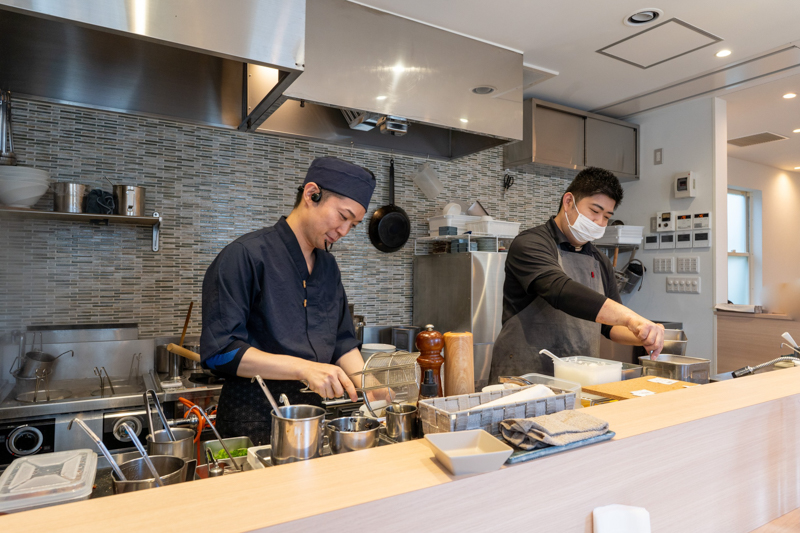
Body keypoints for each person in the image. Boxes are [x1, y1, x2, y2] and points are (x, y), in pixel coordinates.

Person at [200, 156, 375, 445]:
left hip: (310, 421)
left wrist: (373, 386)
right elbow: (221, 352)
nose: (344, 232)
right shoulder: (244, 256)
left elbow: (342, 341)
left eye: (353, 225)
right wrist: (304, 368)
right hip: (252, 421)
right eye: (343, 217)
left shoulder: (328, 268)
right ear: (311, 194)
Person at [489, 166, 665, 381]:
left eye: (606, 216)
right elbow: (560, 290)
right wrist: (631, 318)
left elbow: (610, 327)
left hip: (580, 378)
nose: (599, 222)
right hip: (525, 376)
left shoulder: (599, 260)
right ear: (568, 202)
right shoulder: (531, 243)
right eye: (595, 211)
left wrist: (645, 334)